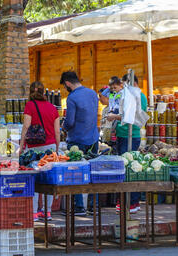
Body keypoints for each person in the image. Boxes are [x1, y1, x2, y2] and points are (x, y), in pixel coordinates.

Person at [106, 74, 148, 213]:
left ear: (133, 83)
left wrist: (115, 117)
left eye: (125, 84)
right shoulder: (126, 95)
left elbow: (132, 116)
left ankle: (132, 202)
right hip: (122, 135)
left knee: (130, 170)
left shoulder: (139, 96)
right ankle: (126, 201)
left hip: (131, 136)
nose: (124, 87)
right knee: (125, 169)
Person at [20, 81, 60, 222]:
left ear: (30, 92)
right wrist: (57, 147)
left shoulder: (30, 106)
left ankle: (34, 213)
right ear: (44, 92)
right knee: (48, 180)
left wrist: (21, 145)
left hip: (34, 148)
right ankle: (47, 212)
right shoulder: (52, 108)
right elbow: (57, 131)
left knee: (35, 180)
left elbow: (26, 126)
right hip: (49, 147)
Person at [60, 71, 99, 216]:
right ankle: (94, 206)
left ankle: (79, 207)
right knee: (93, 173)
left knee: (76, 173)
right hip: (94, 138)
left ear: (68, 83)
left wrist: (63, 126)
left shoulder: (72, 97)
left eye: (65, 86)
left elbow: (70, 122)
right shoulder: (92, 93)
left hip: (77, 140)